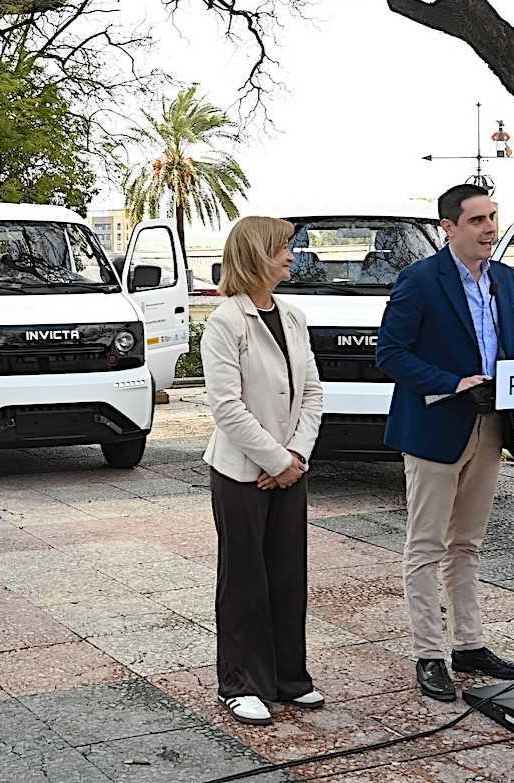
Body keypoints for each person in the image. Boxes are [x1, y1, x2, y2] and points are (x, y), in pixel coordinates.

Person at [375, 184, 514, 702]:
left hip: (491, 427)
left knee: (467, 543)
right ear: (448, 227)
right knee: (427, 545)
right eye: (477, 220)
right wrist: (452, 383)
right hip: (435, 426)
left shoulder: (504, 281)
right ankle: (429, 653)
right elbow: (391, 353)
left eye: (493, 217)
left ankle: (469, 645)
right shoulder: (419, 280)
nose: (490, 228)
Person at [202, 215, 325, 725]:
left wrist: (295, 458)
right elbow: (226, 407)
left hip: (289, 468)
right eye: (282, 249)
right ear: (256, 254)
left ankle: (288, 678)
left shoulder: (293, 315)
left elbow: (313, 392)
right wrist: (276, 461)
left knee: (287, 573)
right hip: (241, 472)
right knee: (244, 577)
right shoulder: (224, 322)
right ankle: (240, 682)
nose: (291, 256)